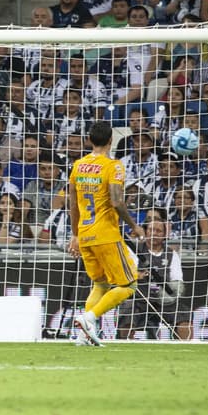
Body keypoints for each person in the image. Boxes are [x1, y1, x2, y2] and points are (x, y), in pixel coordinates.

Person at [67, 119, 146, 346]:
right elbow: (117, 202)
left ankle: (83, 335)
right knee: (128, 285)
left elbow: (73, 205)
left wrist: (75, 235)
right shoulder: (114, 166)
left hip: (85, 235)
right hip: (106, 235)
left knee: (100, 284)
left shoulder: (78, 166)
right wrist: (133, 225)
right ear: (111, 140)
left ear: (89, 140)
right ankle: (88, 318)